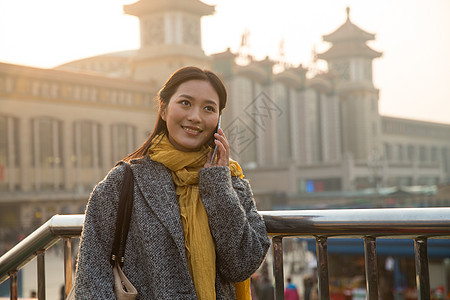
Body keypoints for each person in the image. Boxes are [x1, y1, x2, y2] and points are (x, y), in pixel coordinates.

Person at [73, 66, 271, 299]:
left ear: (218, 120)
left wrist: (218, 186)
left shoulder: (231, 182)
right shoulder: (122, 182)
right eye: (185, 103)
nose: (195, 117)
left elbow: (242, 265)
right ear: (164, 109)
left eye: (208, 108)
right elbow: (92, 275)